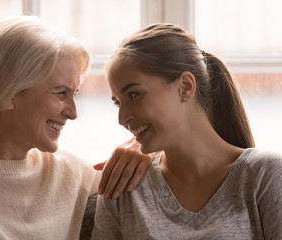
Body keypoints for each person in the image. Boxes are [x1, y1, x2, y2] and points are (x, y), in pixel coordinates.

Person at [0, 16, 152, 240]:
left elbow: (166, 178)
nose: (73, 113)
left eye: (75, 94)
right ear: (9, 92)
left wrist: (145, 148)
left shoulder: (73, 175)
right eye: (61, 93)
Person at [91, 23, 282, 239]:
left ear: (185, 87)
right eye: (118, 103)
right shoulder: (122, 189)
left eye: (134, 95)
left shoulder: (265, 175)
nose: (122, 118)